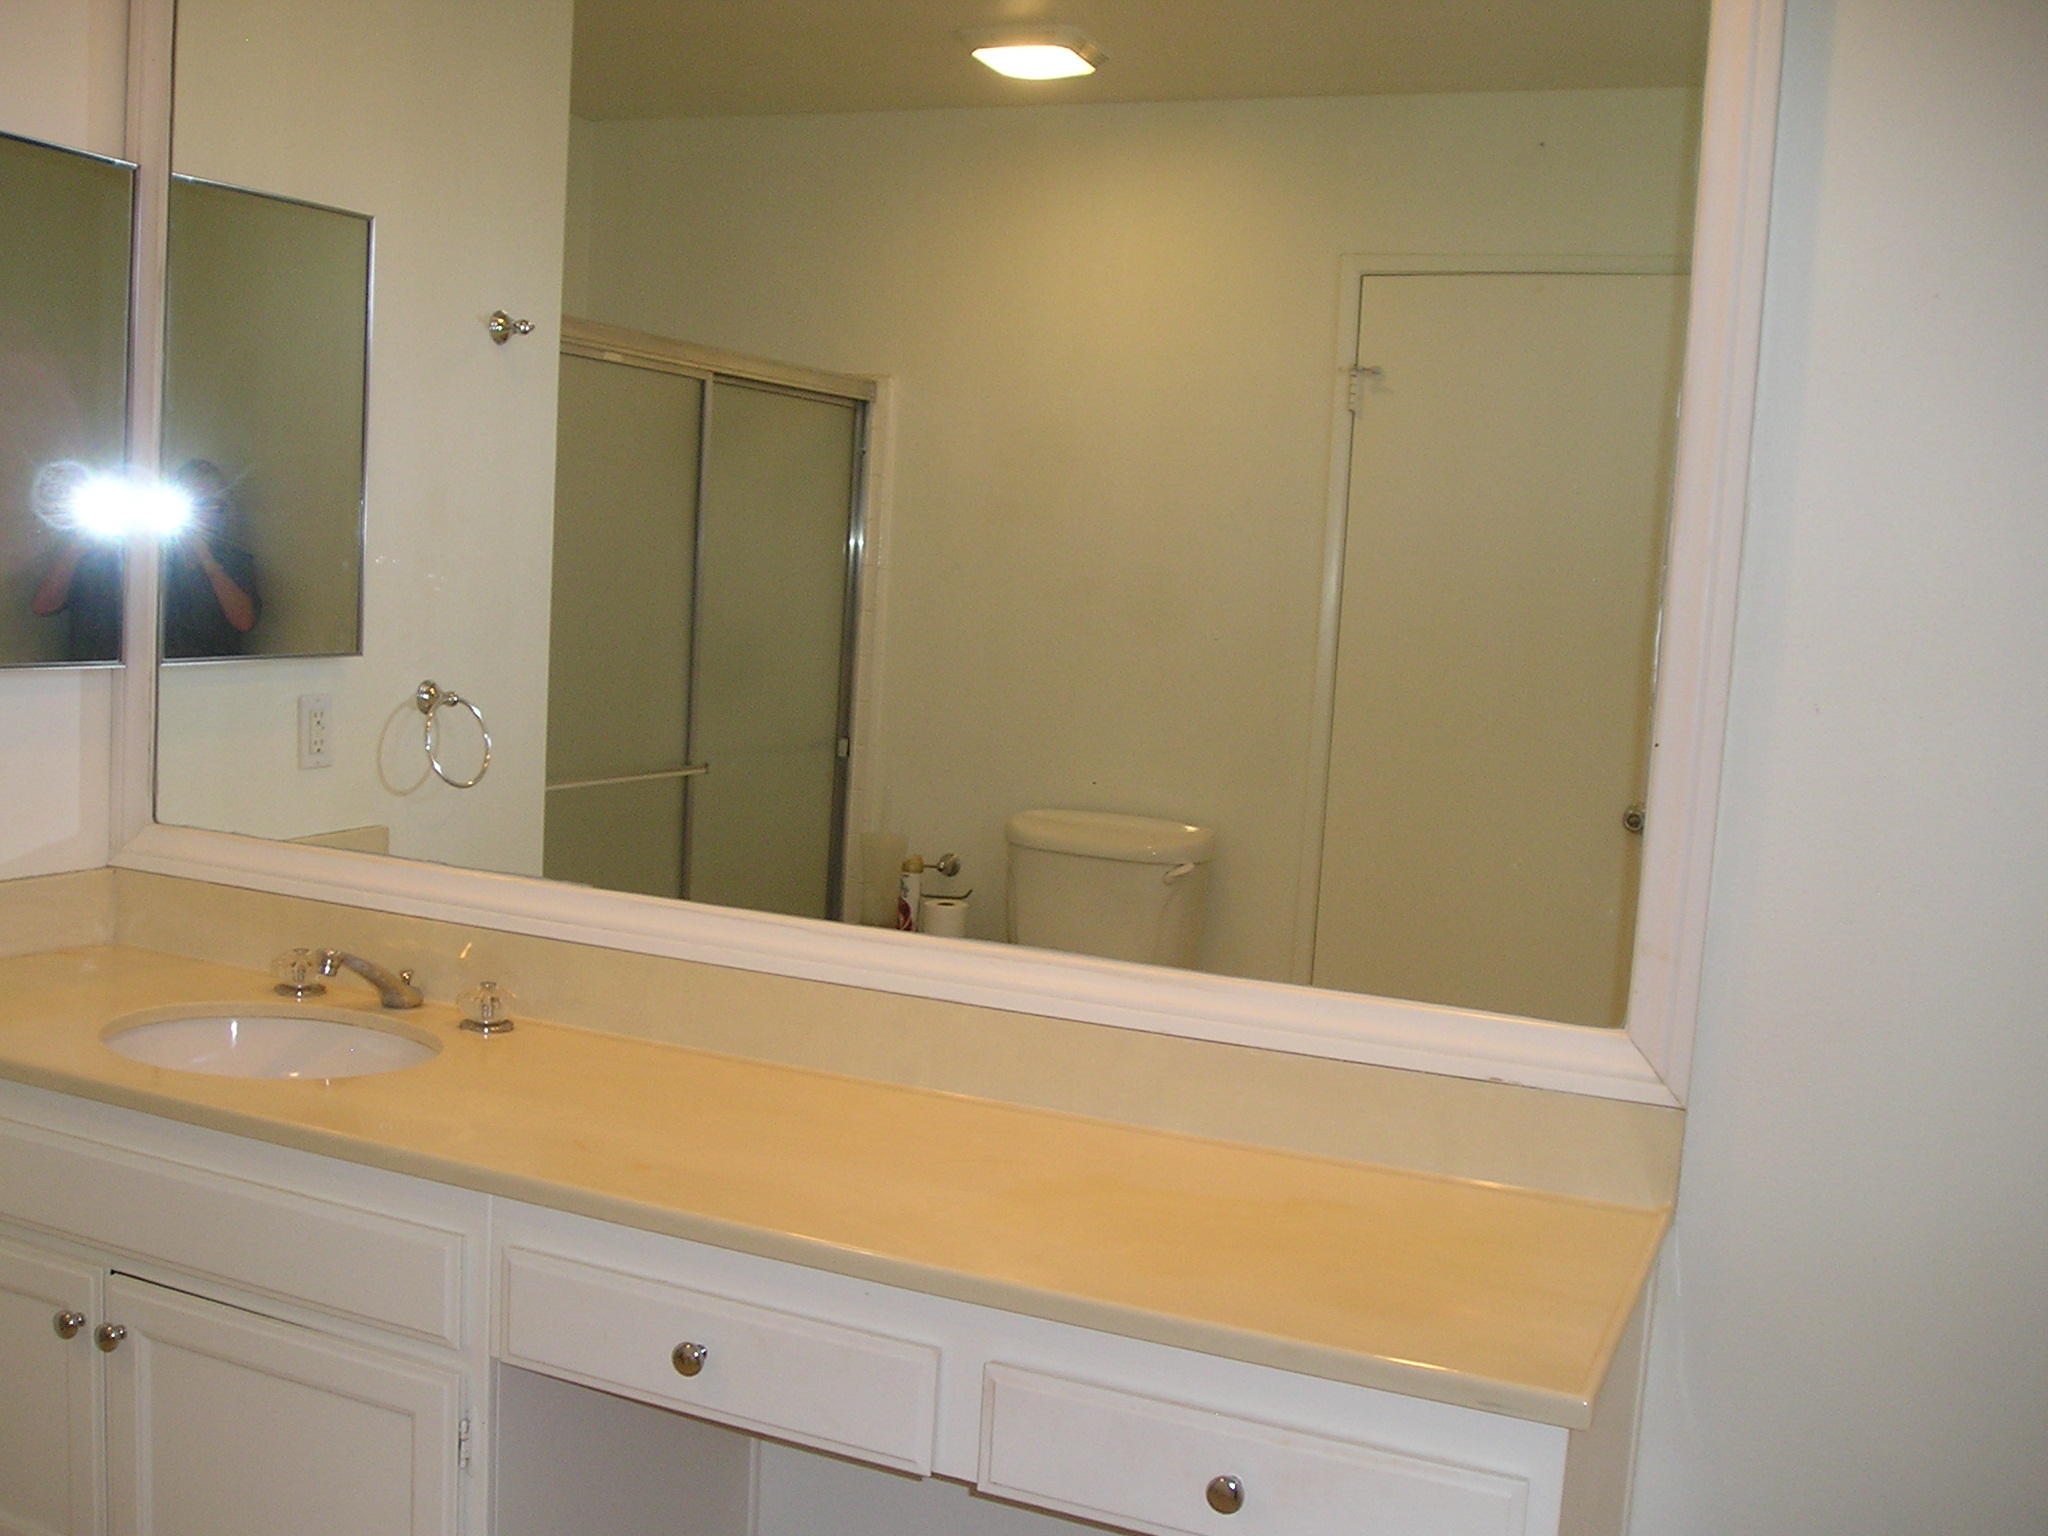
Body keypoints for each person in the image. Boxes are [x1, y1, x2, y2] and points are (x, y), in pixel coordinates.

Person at [32, 457, 260, 660]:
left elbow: (244, 621)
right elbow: (43, 606)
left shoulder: (233, 561)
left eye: (209, 504)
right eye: (192, 504)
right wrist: (77, 547)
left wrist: (207, 561)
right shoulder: (112, 558)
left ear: (221, 509)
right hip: (101, 680)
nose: (201, 513)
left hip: (202, 685)